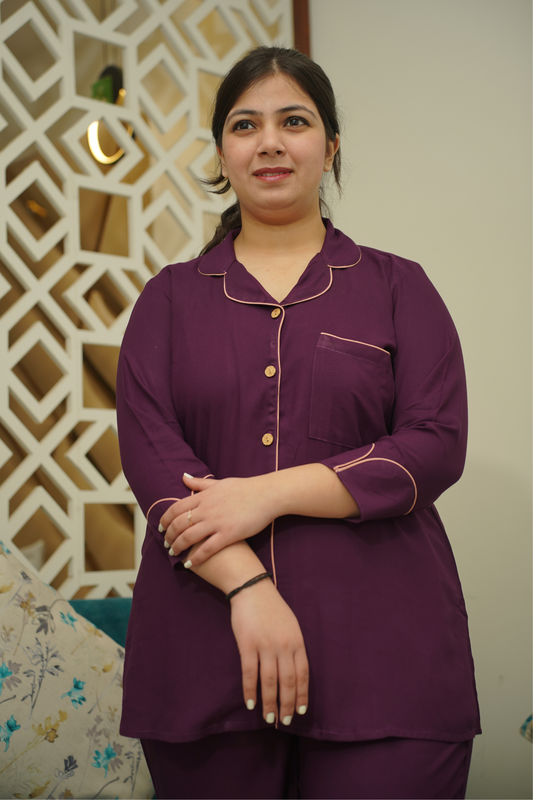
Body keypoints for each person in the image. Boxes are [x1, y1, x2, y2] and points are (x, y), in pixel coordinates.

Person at [116, 46, 481, 799]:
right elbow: (154, 462)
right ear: (223, 152)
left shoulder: (399, 286)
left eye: (294, 121)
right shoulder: (169, 300)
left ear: (331, 146)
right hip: (203, 648)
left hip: (387, 655)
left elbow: (434, 445)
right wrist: (248, 587)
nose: (270, 142)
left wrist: (266, 493)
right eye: (245, 125)